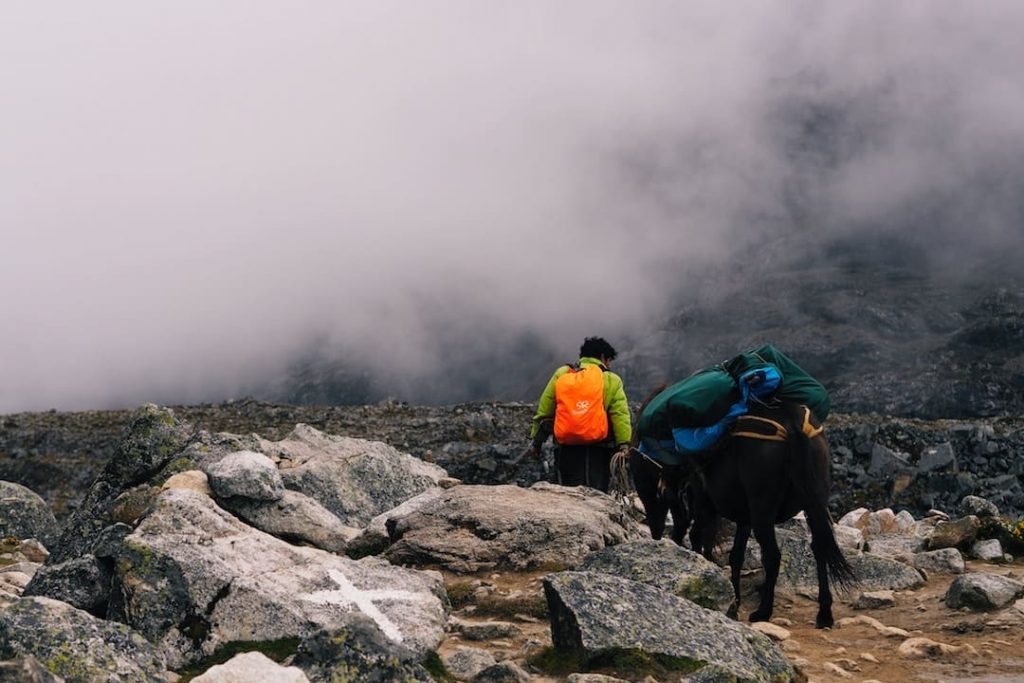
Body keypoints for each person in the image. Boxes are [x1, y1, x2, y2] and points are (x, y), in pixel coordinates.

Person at [529, 336, 632, 492]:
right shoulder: (610, 379)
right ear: (603, 357)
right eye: (609, 360)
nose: (609, 364)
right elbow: (620, 414)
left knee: (567, 492)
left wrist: (537, 442)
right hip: (599, 449)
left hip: (566, 447)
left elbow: (545, 410)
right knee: (596, 494)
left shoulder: (563, 373)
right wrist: (624, 444)